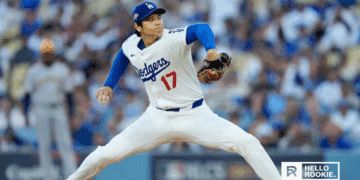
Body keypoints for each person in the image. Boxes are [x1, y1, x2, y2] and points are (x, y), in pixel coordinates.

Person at [67, 2, 281, 180]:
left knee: (248, 142)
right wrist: (109, 84)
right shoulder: (131, 44)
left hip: (195, 115)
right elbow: (123, 56)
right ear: (139, 27)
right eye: (150, 19)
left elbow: (201, 28)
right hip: (157, 118)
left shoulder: (173, 38)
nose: (158, 22)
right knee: (103, 155)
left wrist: (211, 49)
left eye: (158, 17)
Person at [23, 39, 77, 179]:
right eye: (45, 53)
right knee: (44, 144)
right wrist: (26, 114)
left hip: (58, 108)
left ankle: (72, 175)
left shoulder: (62, 69)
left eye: (49, 53)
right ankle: (47, 176)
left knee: (64, 142)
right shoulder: (33, 71)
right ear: (41, 54)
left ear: (53, 54)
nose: (47, 56)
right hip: (41, 108)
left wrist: (71, 113)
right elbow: (27, 95)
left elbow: (69, 94)